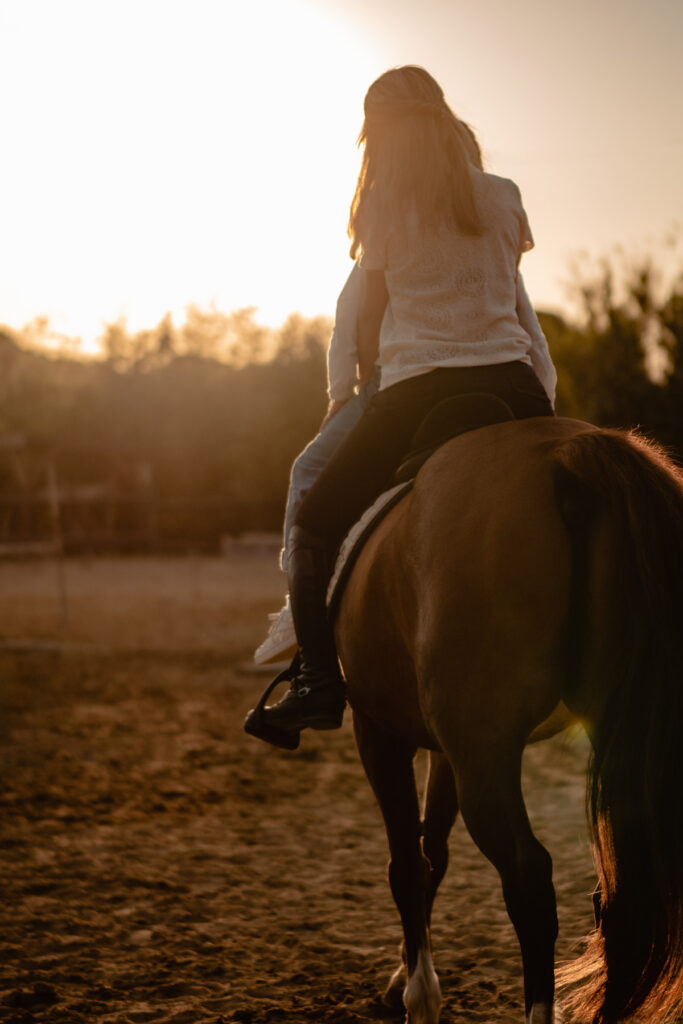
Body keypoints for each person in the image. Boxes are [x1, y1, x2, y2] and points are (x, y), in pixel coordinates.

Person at [247, 65, 555, 739]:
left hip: (417, 392)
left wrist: (342, 396)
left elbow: (364, 313)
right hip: (515, 386)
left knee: (314, 516)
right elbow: (507, 298)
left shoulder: (381, 204)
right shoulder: (503, 194)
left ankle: (319, 684)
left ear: (377, 134)